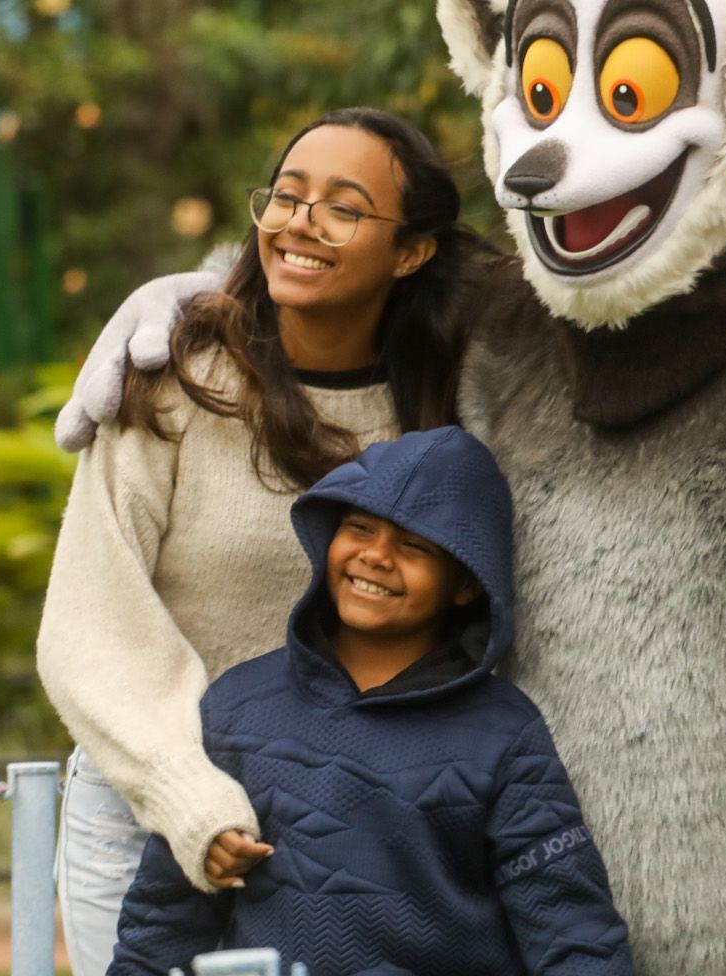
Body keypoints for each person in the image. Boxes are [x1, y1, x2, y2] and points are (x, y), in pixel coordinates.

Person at [36, 107, 486, 975]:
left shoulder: (446, 408)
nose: (300, 223)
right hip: (146, 812)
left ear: (412, 252)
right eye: (286, 196)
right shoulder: (175, 381)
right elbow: (91, 624)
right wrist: (185, 793)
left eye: (343, 208)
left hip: (346, 829)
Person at [107, 424, 632, 974]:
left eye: (414, 545)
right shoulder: (235, 706)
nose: (376, 556)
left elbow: (574, 935)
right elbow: (162, 920)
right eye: (359, 527)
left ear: (466, 583)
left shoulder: (503, 732)